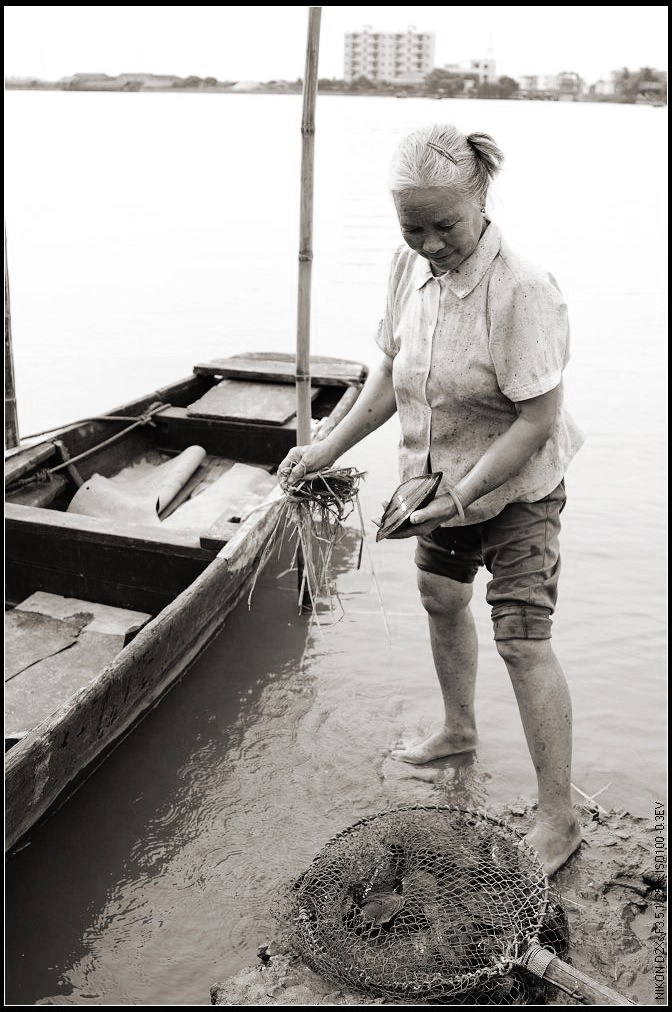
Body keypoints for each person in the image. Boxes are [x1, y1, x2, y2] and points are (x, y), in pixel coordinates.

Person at [278, 123, 585, 876]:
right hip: (434, 475)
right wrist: (323, 448)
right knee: (439, 598)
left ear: (480, 200)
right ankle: (457, 732)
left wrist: (470, 490)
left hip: (516, 490)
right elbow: (387, 378)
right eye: (412, 227)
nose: (430, 242)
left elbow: (538, 418)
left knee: (521, 639)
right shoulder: (404, 268)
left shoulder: (524, 290)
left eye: (444, 225)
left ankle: (559, 815)